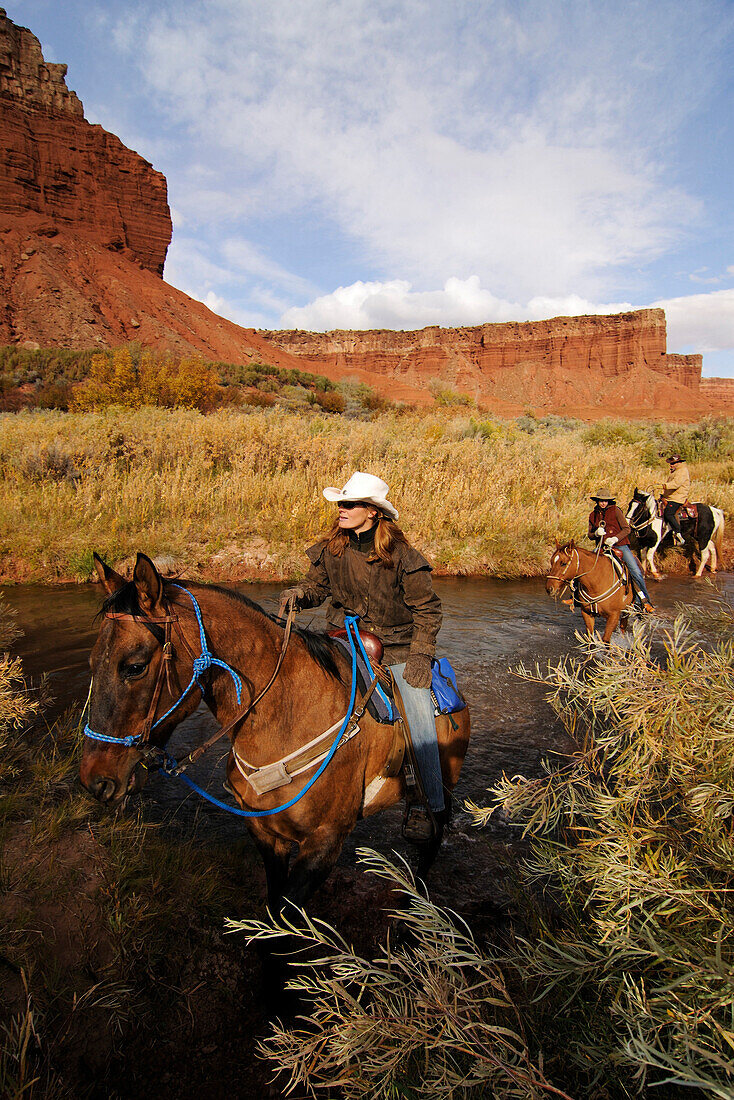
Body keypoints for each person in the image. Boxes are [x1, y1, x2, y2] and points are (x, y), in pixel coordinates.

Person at [279, 471, 444, 841]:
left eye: (350, 504)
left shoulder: (404, 558)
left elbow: (428, 611)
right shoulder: (330, 549)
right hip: (341, 638)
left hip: (397, 647)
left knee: (418, 715)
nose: (341, 508)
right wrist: (299, 595)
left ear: (372, 512)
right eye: (341, 502)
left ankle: (426, 801)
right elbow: (316, 588)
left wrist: (420, 656)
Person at [588, 490, 654, 613]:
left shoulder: (616, 511)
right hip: (602, 547)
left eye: (605, 501)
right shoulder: (593, 515)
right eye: (600, 501)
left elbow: (626, 529)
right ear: (597, 501)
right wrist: (596, 533)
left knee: (635, 571)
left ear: (608, 501)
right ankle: (576, 597)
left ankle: (645, 602)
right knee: (585, 565)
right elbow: (590, 534)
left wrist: (615, 538)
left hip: (620, 546)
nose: (603, 503)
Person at [660, 454, 691, 546]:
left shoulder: (682, 471)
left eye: (673, 463)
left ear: (679, 463)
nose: (671, 465)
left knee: (668, 513)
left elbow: (676, 484)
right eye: (670, 463)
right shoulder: (676, 471)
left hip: (677, 498)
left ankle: (678, 533)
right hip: (671, 497)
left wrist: (663, 486)